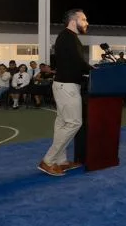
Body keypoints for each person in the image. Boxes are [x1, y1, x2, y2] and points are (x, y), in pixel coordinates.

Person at [39, 9, 93, 177]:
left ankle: (60, 161)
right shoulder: (68, 37)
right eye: (83, 19)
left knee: (62, 122)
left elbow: (73, 62)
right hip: (67, 87)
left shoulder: (67, 37)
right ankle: (48, 161)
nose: (86, 23)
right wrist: (92, 69)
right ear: (72, 21)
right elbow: (78, 61)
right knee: (74, 123)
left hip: (64, 85)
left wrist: (88, 69)